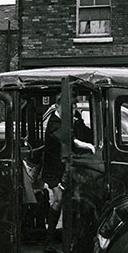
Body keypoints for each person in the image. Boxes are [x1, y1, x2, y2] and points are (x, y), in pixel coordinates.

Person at [42, 94, 95, 243]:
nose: (71, 111)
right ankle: (50, 238)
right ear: (58, 106)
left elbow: (86, 133)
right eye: (68, 107)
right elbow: (68, 141)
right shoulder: (54, 123)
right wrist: (87, 146)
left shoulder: (72, 119)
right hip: (54, 169)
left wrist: (79, 124)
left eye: (73, 107)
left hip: (66, 168)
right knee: (58, 199)